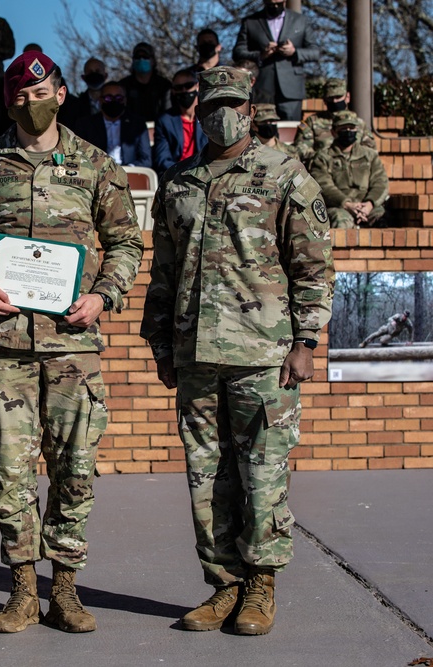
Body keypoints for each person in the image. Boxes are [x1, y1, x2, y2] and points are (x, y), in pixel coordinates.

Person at [0, 51, 143, 635]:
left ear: (60, 91)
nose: (32, 103)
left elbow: (127, 244)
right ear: (9, 101)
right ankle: (22, 588)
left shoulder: (97, 166)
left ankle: (67, 590)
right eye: (20, 96)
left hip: (74, 345)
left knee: (76, 468)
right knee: (10, 469)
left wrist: (105, 296)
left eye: (42, 91)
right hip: (7, 346)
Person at [141, 66, 333, 636]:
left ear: (249, 109)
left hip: (264, 354)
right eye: (210, 106)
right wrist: (160, 343)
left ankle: (261, 585)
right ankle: (223, 586)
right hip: (196, 353)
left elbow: (313, 265)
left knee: (263, 472)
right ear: (198, 114)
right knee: (206, 474)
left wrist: (306, 341)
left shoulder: (285, 175)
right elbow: (164, 272)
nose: (221, 115)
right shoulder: (179, 183)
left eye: (232, 104)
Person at [232, 0, 319, 120]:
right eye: (271, 4)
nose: (275, 7)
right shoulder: (250, 22)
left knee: (289, 132)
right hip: (262, 87)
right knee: (261, 128)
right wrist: (260, 55)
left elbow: (315, 52)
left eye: (279, 3)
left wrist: (294, 52)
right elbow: (238, 53)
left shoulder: (300, 20)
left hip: (291, 90)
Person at [310, 110, 389, 228]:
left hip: (367, 206)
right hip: (339, 207)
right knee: (341, 221)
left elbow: (380, 182)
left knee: (382, 219)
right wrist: (347, 204)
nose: (348, 132)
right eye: (343, 128)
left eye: (351, 128)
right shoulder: (322, 158)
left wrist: (369, 204)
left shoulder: (370, 156)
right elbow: (324, 186)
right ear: (333, 132)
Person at [294, 78, 377, 165]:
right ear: (324, 100)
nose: (334, 101)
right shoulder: (312, 122)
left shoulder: (359, 123)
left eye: (338, 97)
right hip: (321, 169)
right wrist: (323, 158)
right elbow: (300, 149)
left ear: (347, 97)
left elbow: (371, 152)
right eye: (330, 98)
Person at [74, 81, 152, 168]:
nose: (114, 101)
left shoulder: (137, 124)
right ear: (100, 100)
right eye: (108, 98)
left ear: (125, 100)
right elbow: (79, 156)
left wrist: (128, 169)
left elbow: (146, 159)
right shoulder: (85, 125)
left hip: (129, 173)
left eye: (119, 98)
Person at [153, 69, 208, 175]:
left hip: (205, 173)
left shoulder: (209, 116)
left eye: (188, 85)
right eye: (178, 88)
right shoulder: (165, 120)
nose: (184, 91)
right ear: (173, 91)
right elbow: (162, 159)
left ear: (197, 86)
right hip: (176, 175)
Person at [118, 42, 171, 123]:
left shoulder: (164, 85)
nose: (141, 60)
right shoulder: (123, 86)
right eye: (137, 57)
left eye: (145, 57)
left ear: (153, 61)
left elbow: (168, 113)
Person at [57, 57, 108, 128]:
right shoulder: (74, 107)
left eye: (98, 71)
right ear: (83, 77)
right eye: (90, 72)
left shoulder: (115, 101)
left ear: (105, 76)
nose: (94, 75)